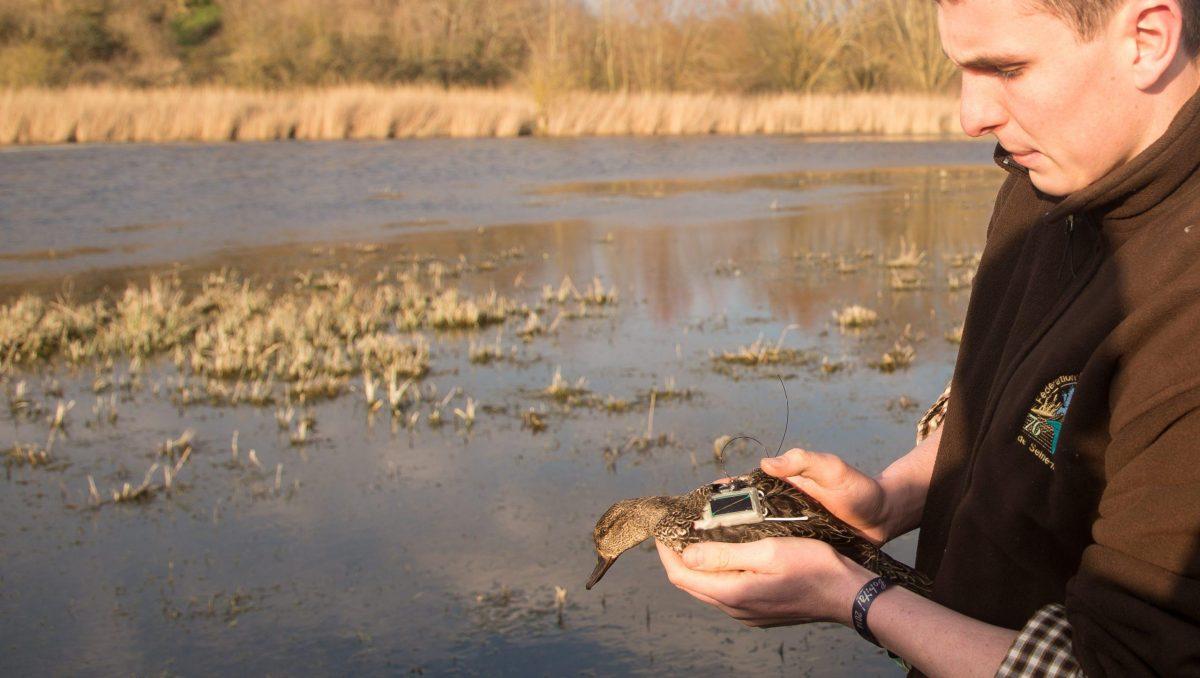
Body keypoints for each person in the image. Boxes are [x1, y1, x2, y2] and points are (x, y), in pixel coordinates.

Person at [656, 0, 1200, 675]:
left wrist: (851, 594)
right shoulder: (1047, 178)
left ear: (1147, 38)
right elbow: (1026, 412)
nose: (971, 116)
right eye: (962, 70)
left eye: (1008, 67)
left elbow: (1121, 667)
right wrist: (891, 499)